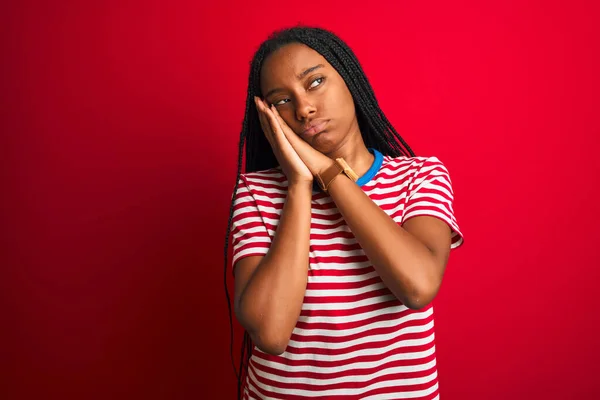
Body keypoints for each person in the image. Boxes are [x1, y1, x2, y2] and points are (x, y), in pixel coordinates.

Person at [223, 26, 464, 400]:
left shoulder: (420, 178)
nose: (303, 109)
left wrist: (328, 172)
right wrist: (300, 185)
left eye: (315, 82)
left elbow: (417, 287)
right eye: (282, 101)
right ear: (269, 117)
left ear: (350, 80)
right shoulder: (257, 193)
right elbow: (270, 333)